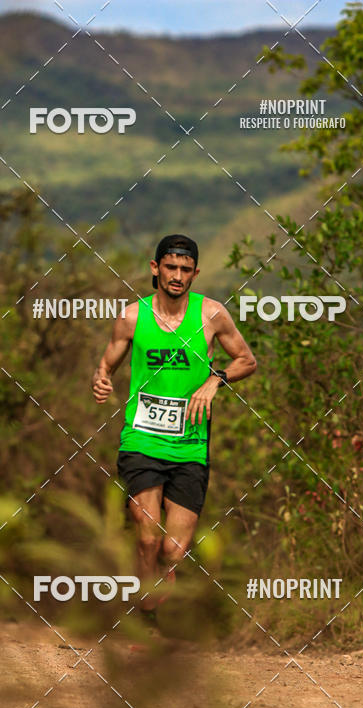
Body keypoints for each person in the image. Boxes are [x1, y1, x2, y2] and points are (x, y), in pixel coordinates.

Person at [92, 234, 256, 625]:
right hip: (142, 439)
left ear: (195, 273)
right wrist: (101, 380)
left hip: (190, 444)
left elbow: (247, 360)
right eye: (170, 267)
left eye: (185, 269)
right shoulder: (132, 317)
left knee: (172, 550)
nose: (177, 276)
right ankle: (144, 618)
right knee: (147, 538)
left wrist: (214, 380)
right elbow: (107, 363)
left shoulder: (212, 315)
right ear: (156, 269)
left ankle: (158, 584)